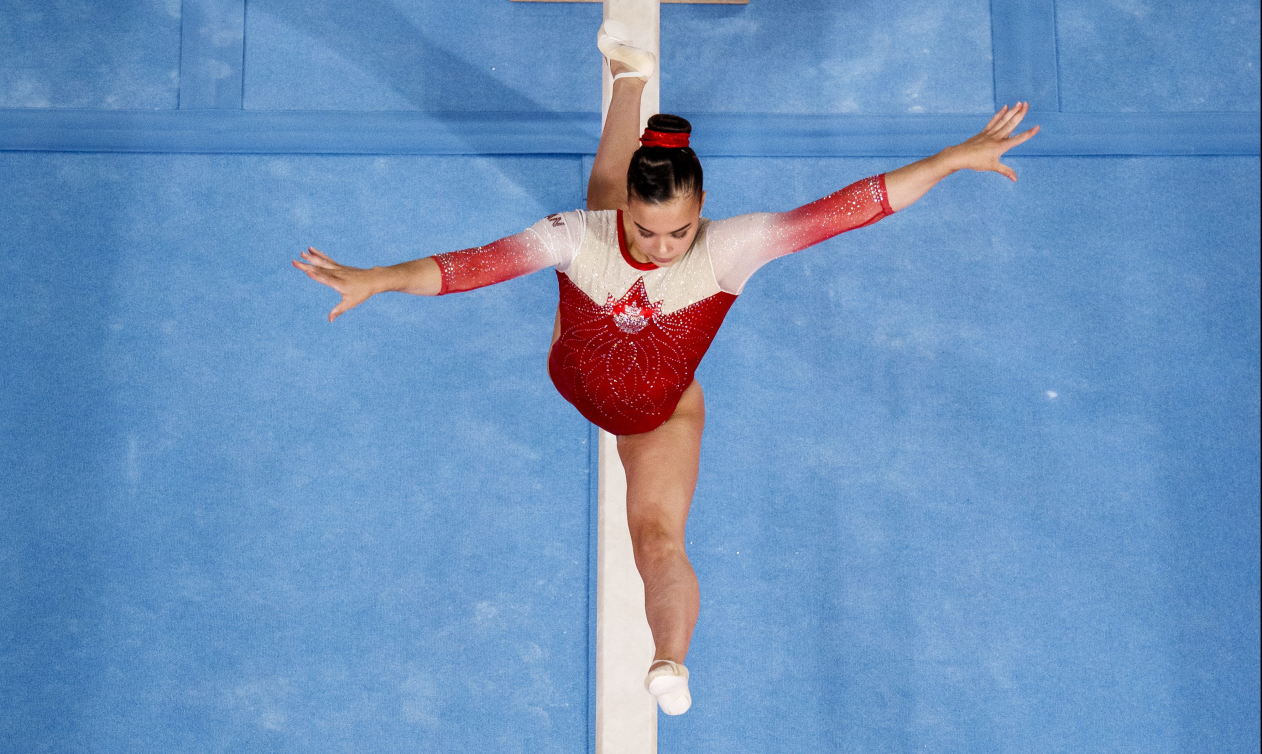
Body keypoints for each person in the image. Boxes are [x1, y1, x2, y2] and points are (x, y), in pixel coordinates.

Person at [292, 19, 1039, 716]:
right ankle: (625, 80)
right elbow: (469, 267)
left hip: (658, 416)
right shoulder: (583, 233)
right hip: (572, 365)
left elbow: (851, 207)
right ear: (631, 215)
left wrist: (949, 159)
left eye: (679, 229)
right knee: (593, 203)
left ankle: (671, 659)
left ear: (703, 204)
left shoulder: (732, 247)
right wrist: (377, 277)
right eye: (646, 230)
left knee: (657, 540)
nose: (663, 246)